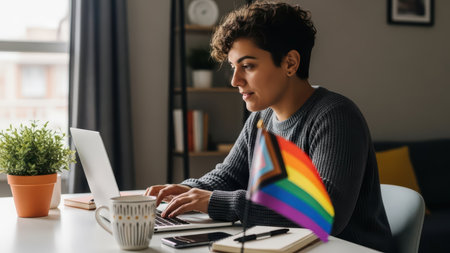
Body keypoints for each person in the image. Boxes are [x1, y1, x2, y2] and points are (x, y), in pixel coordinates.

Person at [146, 1, 394, 252]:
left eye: (248, 66)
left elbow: (324, 213)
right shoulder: (260, 119)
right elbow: (229, 175)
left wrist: (215, 202)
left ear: (290, 63)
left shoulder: (336, 116)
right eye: (234, 67)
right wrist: (188, 190)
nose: (235, 80)